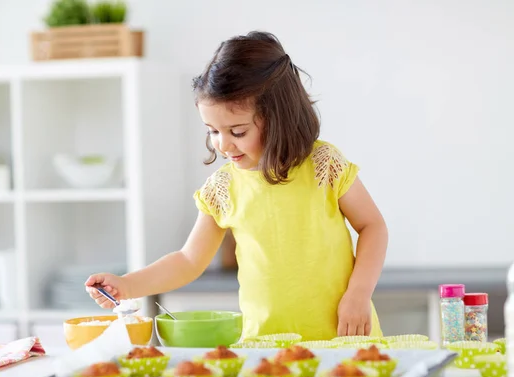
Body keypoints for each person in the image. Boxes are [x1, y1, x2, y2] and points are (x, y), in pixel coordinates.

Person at [85, 31, 388, 340]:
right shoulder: (222, 188)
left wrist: (359, 294)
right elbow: (188, 260)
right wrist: (127, 285)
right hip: (266, 347)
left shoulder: (324, 165)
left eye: (238, 131)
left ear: (278, 117)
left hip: (345, 340)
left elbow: (372, 226)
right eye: (213, 131)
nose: (223, 144)